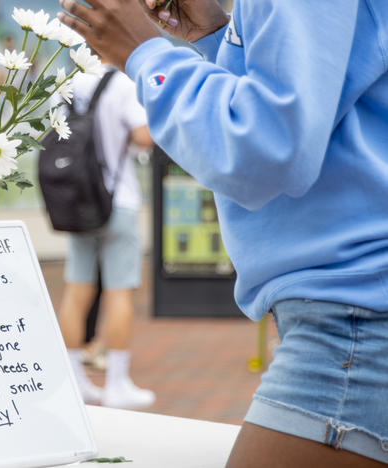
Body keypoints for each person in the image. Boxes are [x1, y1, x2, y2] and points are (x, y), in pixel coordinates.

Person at [57, 0, 388, 466]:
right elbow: (324, 107)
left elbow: (267, 147)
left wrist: (146, 53)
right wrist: (216, 38)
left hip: (353, 321)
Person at [56, 64, 155, 409]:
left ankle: (74, 380)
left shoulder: (68, 80)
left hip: (79, 200)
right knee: (119, 292)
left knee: (77, 289)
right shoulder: (122, 83)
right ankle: (117, 383)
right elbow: (144, 137)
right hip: (117, 198)